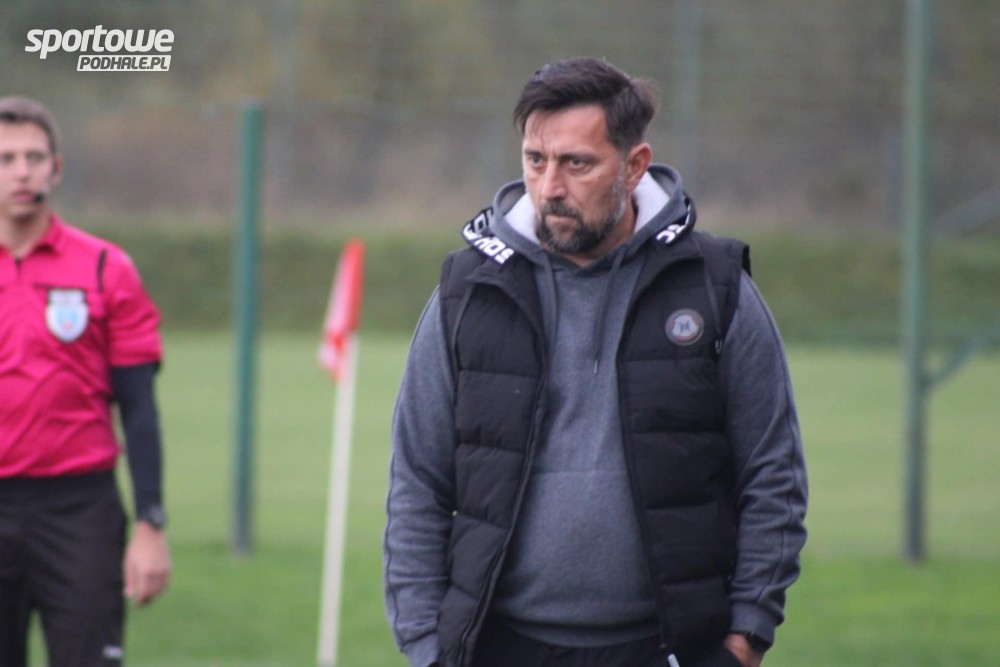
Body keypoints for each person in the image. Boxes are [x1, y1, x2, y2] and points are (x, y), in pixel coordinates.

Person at [384, 57, 808, 667]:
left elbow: (773, 474)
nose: (550, 187)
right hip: (498, 648)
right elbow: (417, 481)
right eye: (536, 160)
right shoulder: (467, 293)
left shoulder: (714, 288)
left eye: (576, 163)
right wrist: (429, 648)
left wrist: (746, 637)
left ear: (634, 166)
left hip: (671, 648)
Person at [0, 96, 171, 666]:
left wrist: (150, 522)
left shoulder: (104, 268)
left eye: (33, 157)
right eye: (6, 159)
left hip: (78, 511)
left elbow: (139, 407)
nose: (21, 172)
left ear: (56, 168)